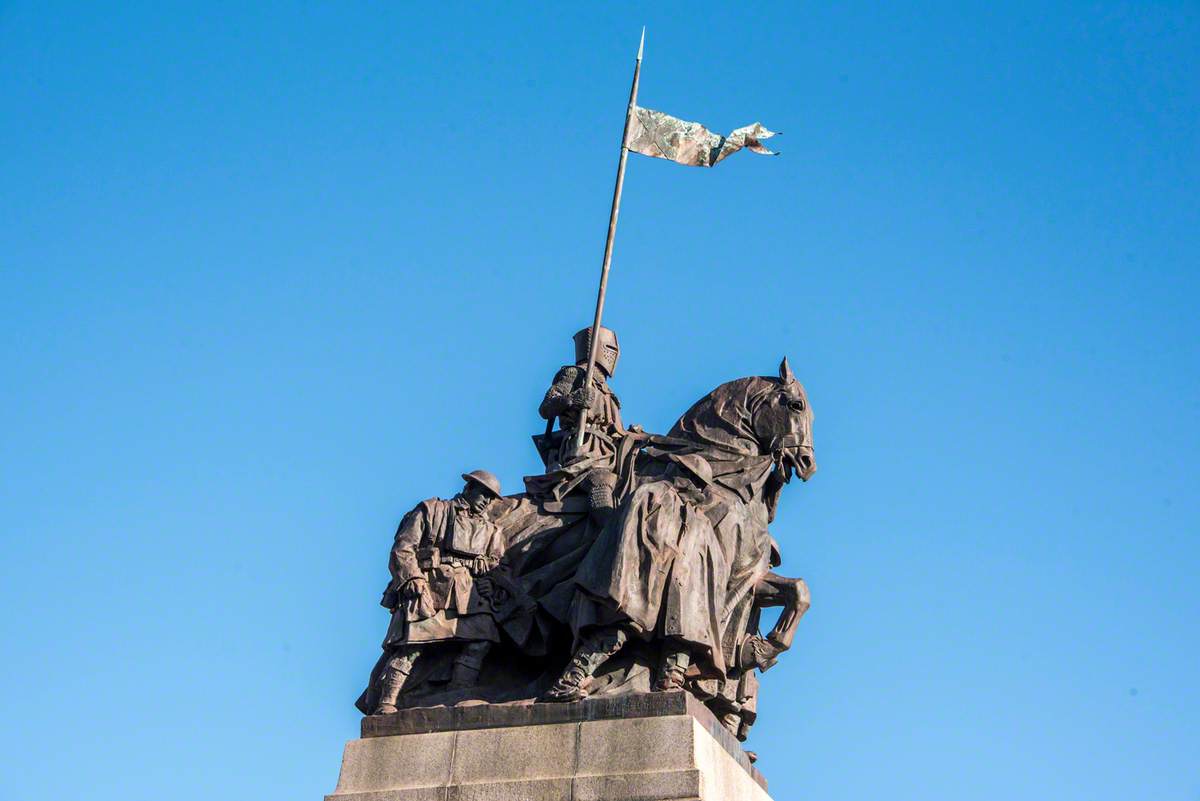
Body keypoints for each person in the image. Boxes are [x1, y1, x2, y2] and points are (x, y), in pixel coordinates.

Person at [369, 470, 505, 715]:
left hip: (468, 592)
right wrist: (412, 577)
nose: (486, 500)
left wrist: (489, 573)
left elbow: (497, 563)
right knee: (412, 645)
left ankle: (458, 691)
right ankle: (387, 702)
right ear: (469, 488)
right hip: (432, 586)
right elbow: (403, 548)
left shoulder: (491, 530)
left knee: (482, 639)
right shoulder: (432, 510)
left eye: (490, 497)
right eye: (482, 493)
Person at [532, 326, 625, 524]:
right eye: (609, 348)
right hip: (583, 451)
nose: (613, 355)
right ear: (597, 347)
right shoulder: (574, 374)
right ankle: (609, 537)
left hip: (610, 454)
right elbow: (546, 408)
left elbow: (616, 430)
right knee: (600, 486)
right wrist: (572, 400)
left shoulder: (608, 392)